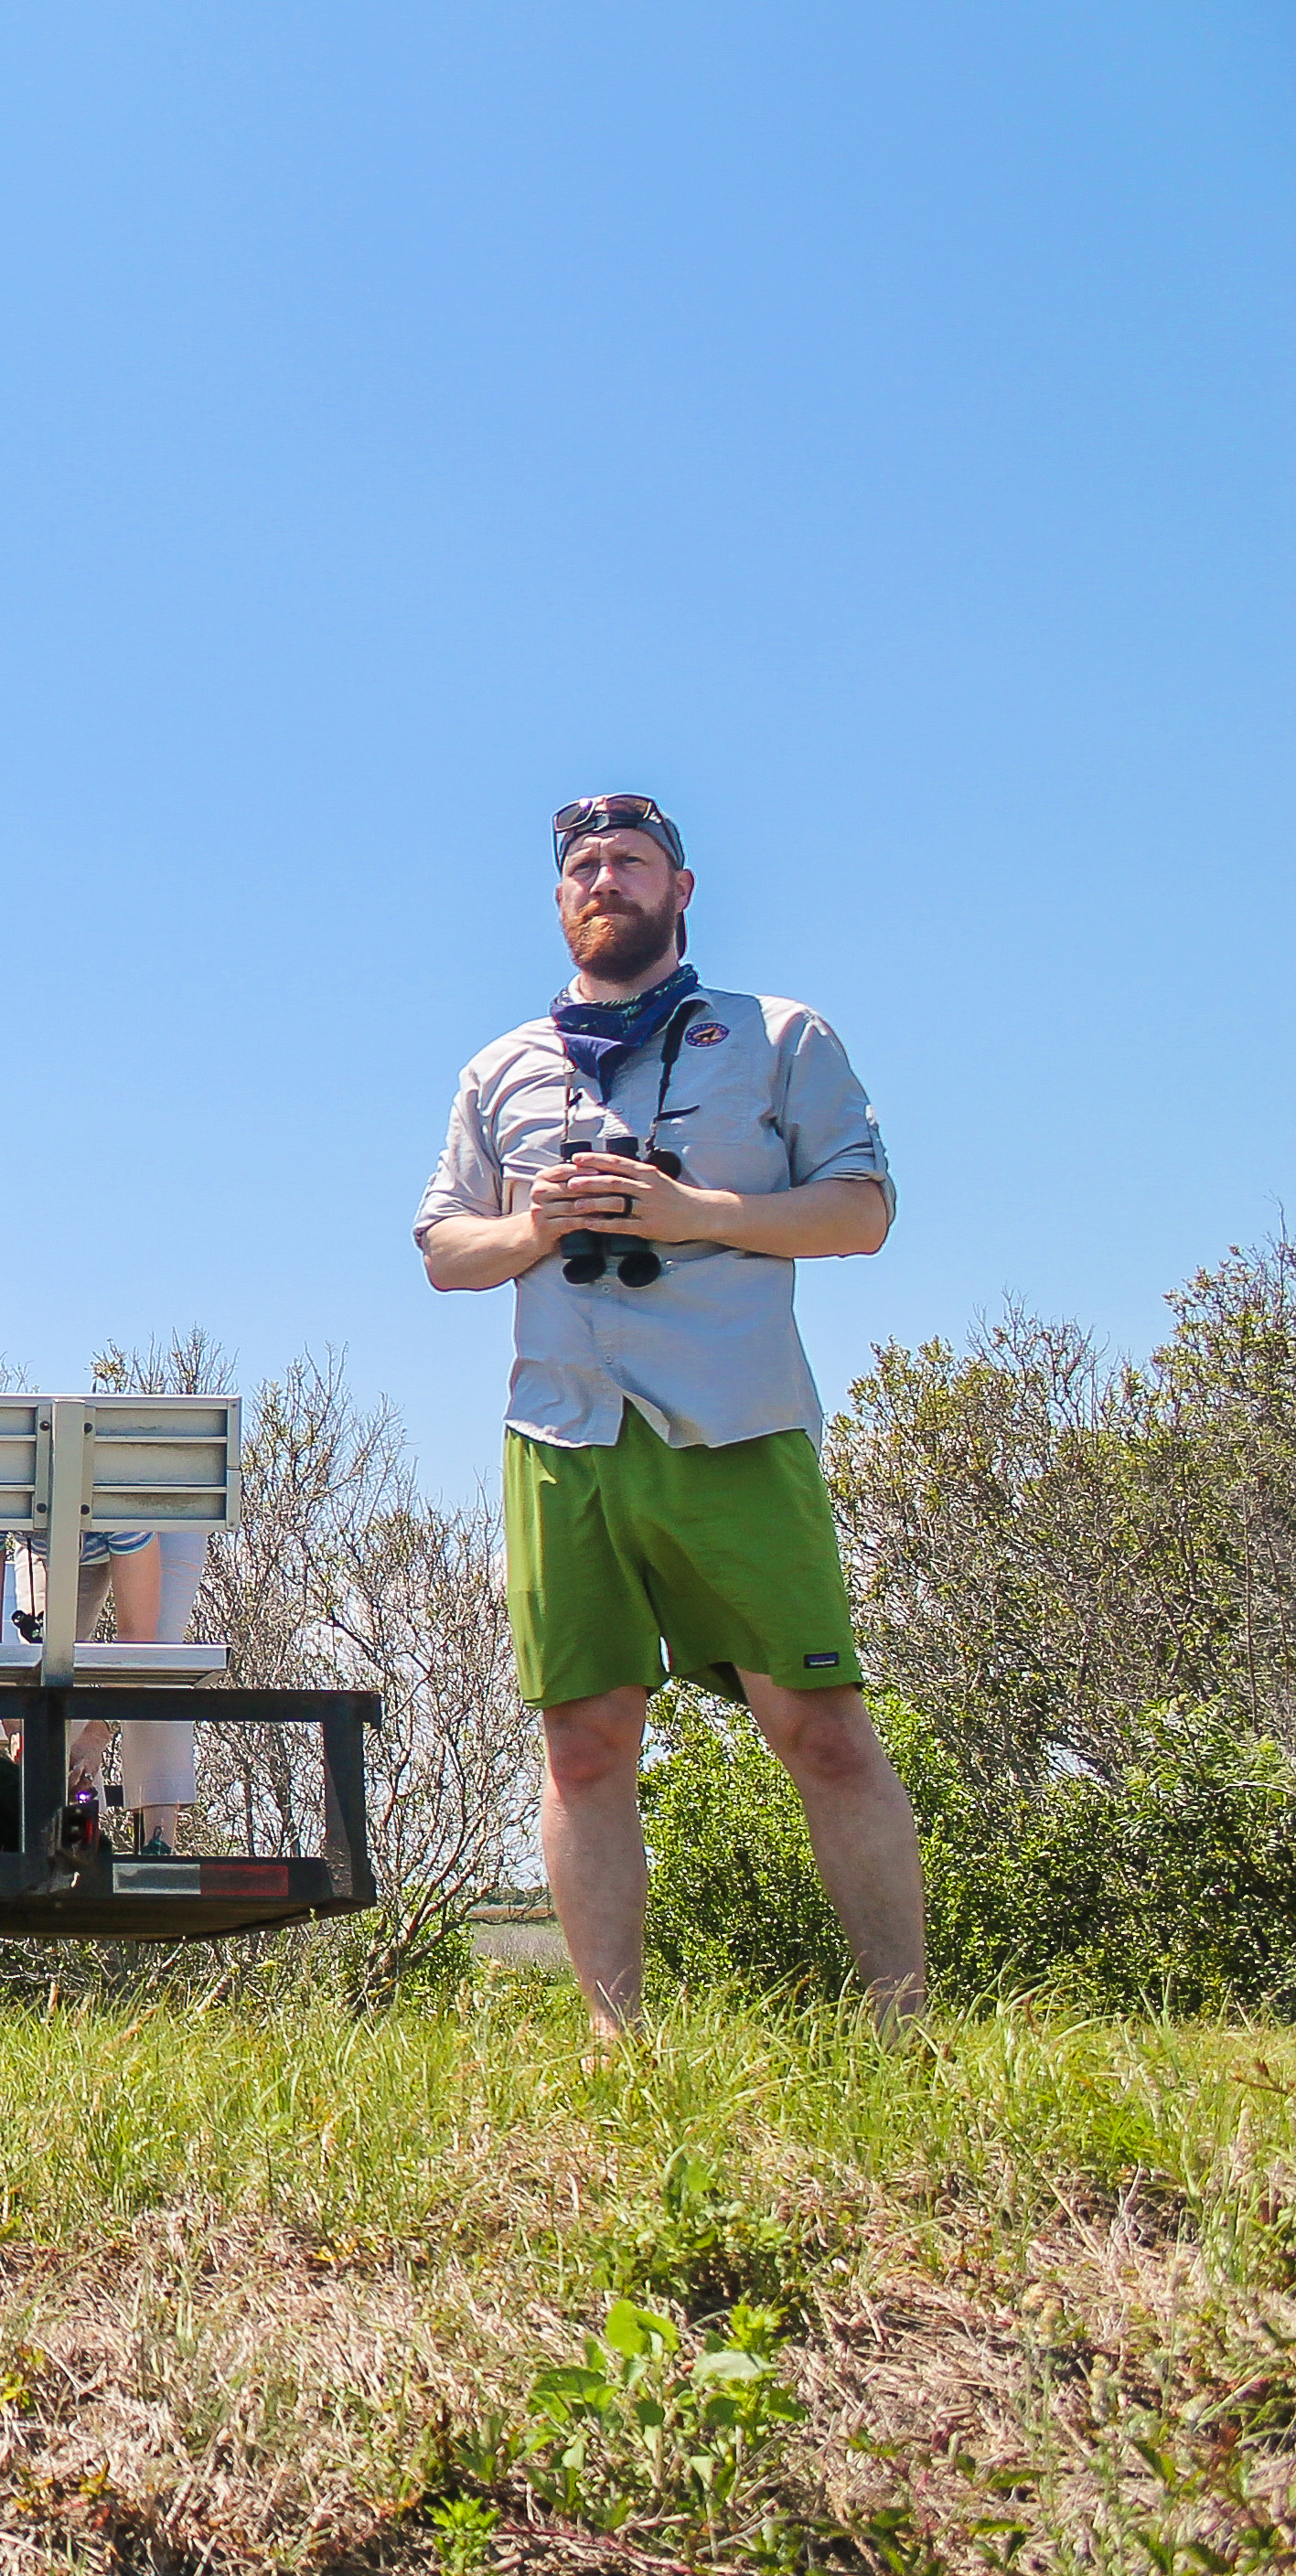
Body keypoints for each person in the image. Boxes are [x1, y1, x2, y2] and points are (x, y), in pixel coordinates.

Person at [417, 793, 916, 2029]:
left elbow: (862, 1212)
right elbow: (443, 1249)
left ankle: (903, 2024)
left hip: (735, 1425)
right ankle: (614, 2042)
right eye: (583, 866)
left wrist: (696, 1217)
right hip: (564, 1436)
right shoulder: (501, 1068)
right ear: (558, 901)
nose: (605, 880)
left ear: (681, 890)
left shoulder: (781, 1036)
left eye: (630, 862)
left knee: (823, 1732)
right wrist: (536, 1227)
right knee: (584, 1747)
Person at [0, 1526, 203, 1850]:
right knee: (45, 1672)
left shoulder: (125, 1507)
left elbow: (137, 1643)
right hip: (53, 1536)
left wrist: (97, 1731)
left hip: (160, 1513)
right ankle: (77, 1839)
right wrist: (16, 1724)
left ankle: (158, 1842)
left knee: (158, 1660)